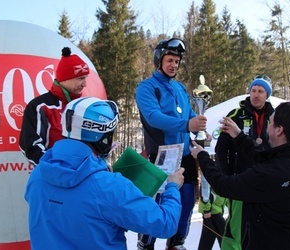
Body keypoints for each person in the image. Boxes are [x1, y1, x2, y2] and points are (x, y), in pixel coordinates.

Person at [25, 96, 185, 250]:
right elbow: (165, 224)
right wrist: (172, 187)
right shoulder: (109, 186)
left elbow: (66, 209)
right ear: (103, 137)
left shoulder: (38, 173)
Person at [190, 102, 290, 250]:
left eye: (270, 123)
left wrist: (202, 156)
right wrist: (239, 136)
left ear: (279, 130)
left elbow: (223, 185)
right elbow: (264, 156)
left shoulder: (271, 174)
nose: (267, 127)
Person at [135, 37, 209, 250]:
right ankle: (145, 244)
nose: (174, 65)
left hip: (185, 156)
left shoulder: (180, 88)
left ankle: (177, 243)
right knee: (157, 207)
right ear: (159, 60)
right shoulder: (147, 88)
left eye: (177, 61)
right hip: (161, 157)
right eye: (169, 60)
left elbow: (190, 113)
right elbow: (153, 117)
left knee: (186, 204)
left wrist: (200, 126)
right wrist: (187, 124)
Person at [214, 75, 275, 250]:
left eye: (261, 91)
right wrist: (227, 176)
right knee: (236, 227)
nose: (256, 94)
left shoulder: (275, 117)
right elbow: (220, 149)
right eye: (253, 90)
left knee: (264, 226)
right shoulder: (235, 115)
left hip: (267, 181)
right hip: (241, 180)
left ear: (267, 95)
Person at [19, 47, 90, 165]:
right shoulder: (40, 107)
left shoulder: (83, 106)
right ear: (65, 79)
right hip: (53, 177)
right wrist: (58, 168)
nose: (85, 84)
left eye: (85, 78)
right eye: (80, 78)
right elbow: (31, 147)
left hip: (82, 176)